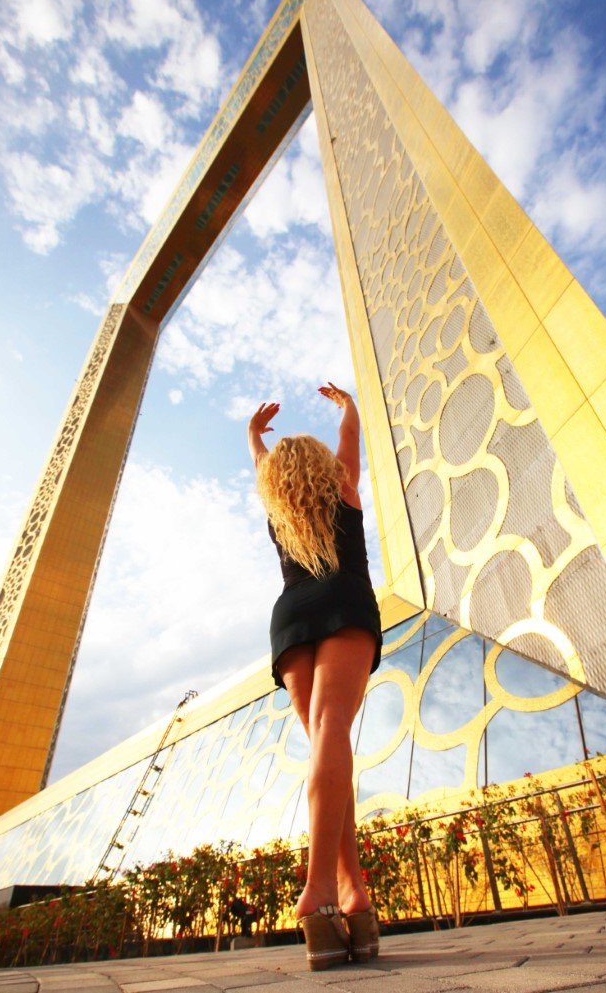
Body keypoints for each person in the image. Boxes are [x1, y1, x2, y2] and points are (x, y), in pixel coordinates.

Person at [248, 383, 382, 971]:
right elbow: (351, 437)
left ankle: (353, 894)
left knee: (325, 748)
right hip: (345, 600)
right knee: (333, 736)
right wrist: (347, 405)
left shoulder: (278, 507)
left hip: (291, 613)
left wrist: (254, 437)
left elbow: (261, 465)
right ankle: (319, 888)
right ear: (325, 468)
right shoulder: (345, 487)